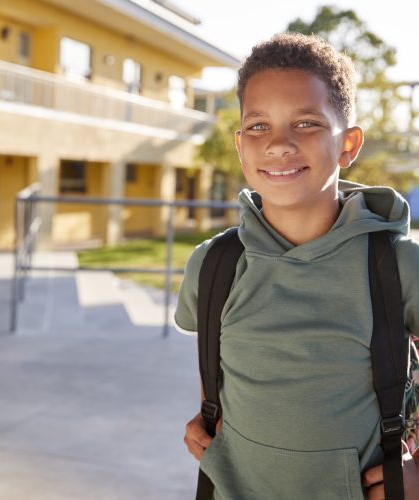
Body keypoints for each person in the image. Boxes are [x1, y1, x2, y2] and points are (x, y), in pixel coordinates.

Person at [175, 33, 419, 499]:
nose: (279, 144)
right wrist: (209, 412)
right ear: (240, 144)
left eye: (306, 123)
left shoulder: (396, 264)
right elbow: (215, 359)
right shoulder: (213, 264)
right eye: (258, 126)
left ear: (348, 145)